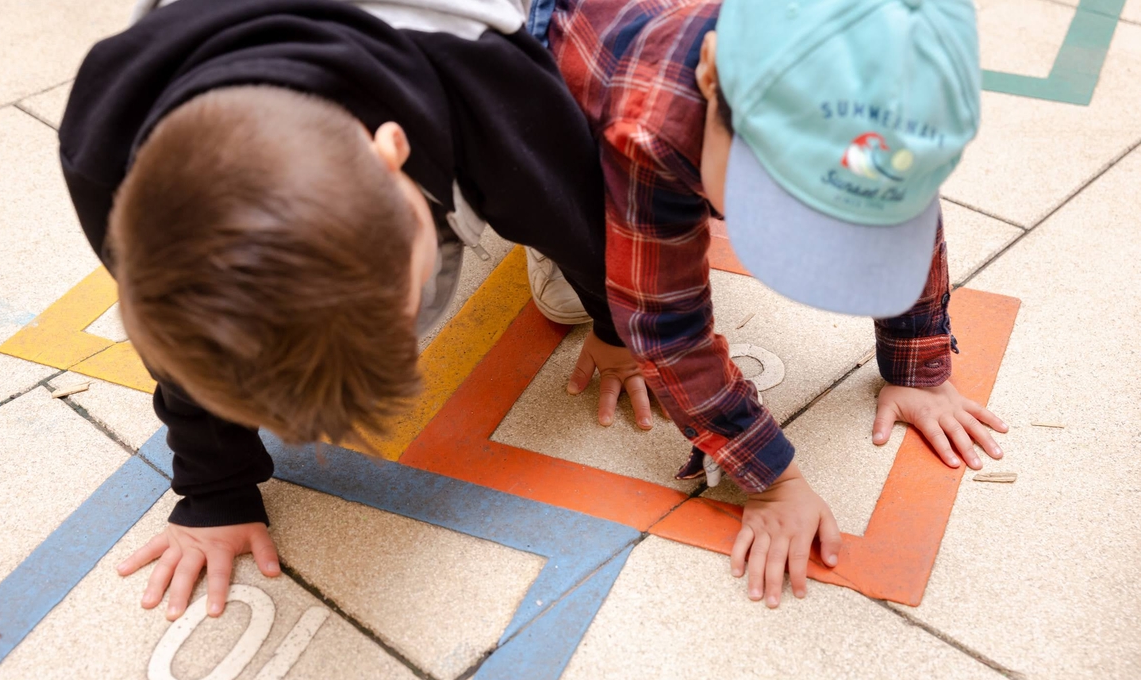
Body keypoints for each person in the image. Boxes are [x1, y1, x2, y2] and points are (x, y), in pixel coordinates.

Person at [59, 0, 652, 621]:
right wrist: (213, 489)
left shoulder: (487, 83)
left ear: (394, 149)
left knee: (551, 170)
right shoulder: (105, 155)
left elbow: (579, 204)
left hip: (454, 46)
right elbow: (192, 334)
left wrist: (618, 327)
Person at [537, 0, 1008, 607]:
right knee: (582, 225)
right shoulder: (652, 121)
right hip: (565, 60)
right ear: (710, 72)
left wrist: (918, 365)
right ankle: (566, 220)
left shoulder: (900, 103)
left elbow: (904, 209)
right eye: (770, 201)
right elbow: (665, 324)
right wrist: (771, 479)